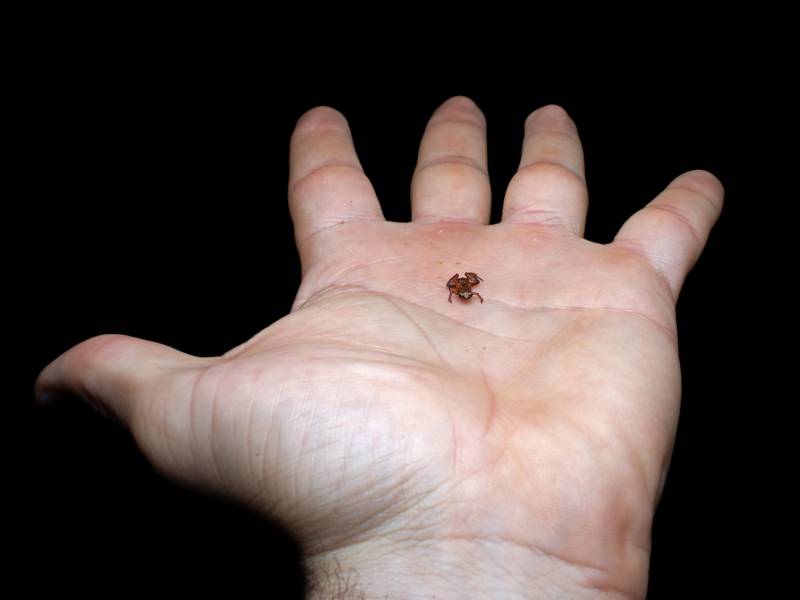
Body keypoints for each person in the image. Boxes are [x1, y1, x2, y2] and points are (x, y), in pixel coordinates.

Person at [35, 96, 723, 599]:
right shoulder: (459, 286)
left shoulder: (465, 285)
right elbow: (463, 283)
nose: (460, 286)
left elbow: (468, 283)